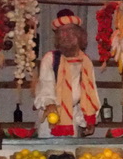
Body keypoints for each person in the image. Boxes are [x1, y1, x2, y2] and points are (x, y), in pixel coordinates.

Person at [33, 9, 99, 138]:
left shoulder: (85, 62)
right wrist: (50, 104)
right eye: (62, 31)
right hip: (51, 118)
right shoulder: (51, 58)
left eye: (71, 31)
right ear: (57, 36)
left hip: (73, 118)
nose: (67, 35)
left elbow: (91, 93)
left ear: (79, 35)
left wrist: (89, 119)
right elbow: (45, 85)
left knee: (70, 156)